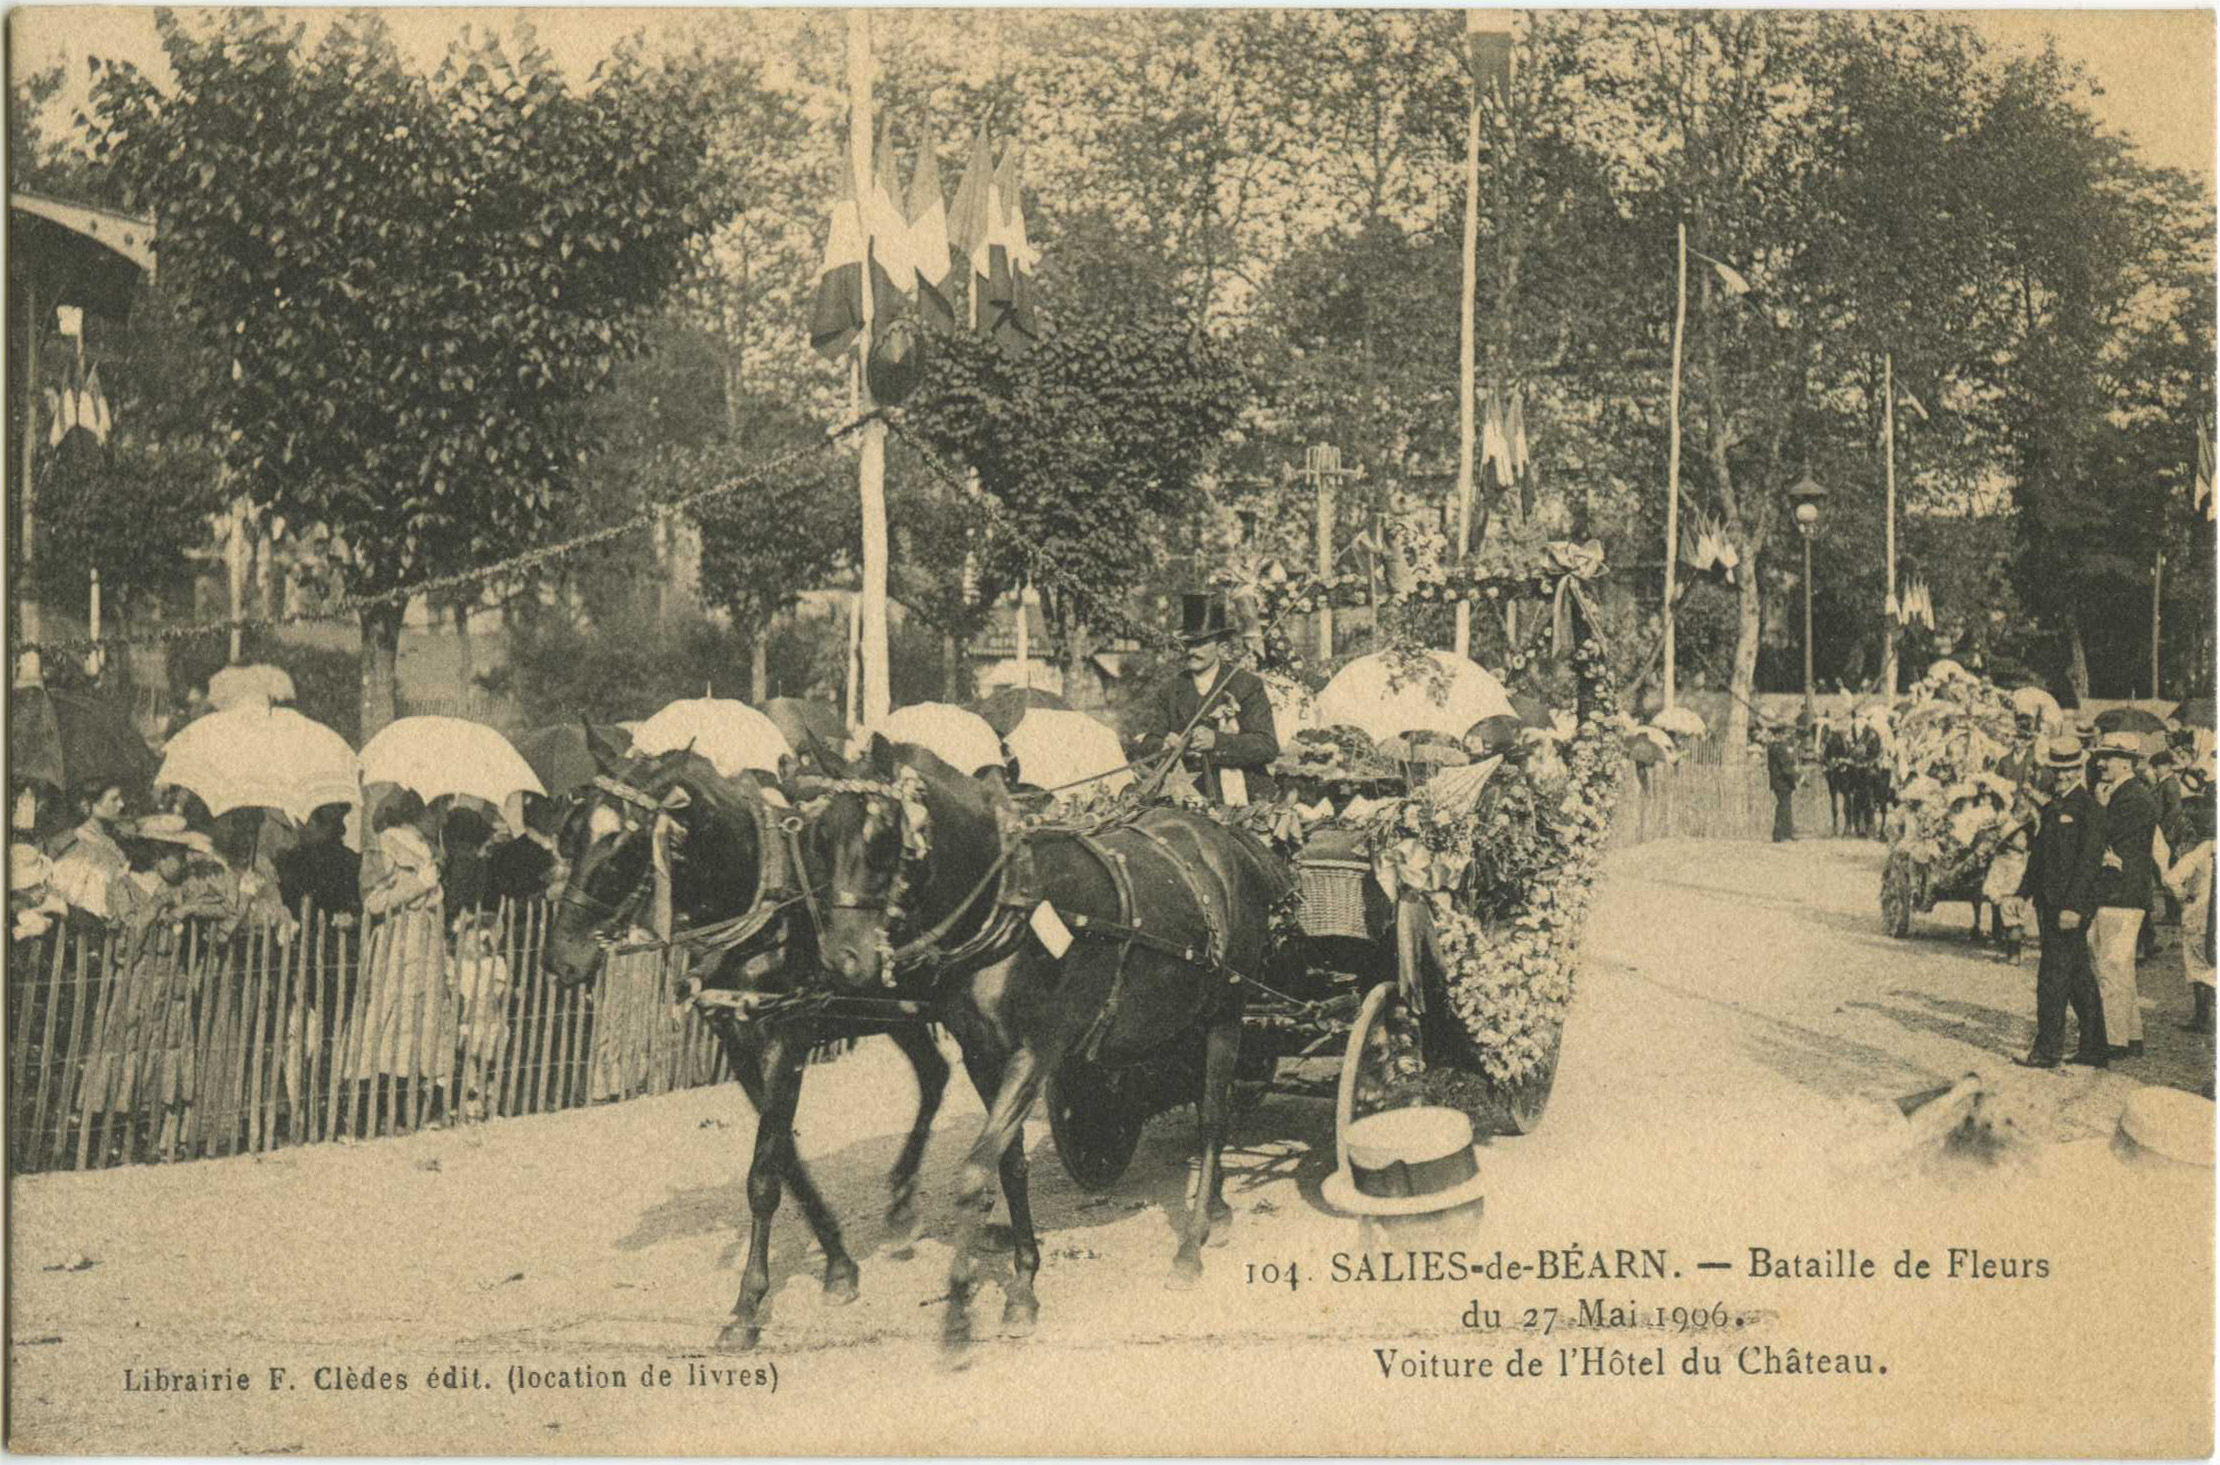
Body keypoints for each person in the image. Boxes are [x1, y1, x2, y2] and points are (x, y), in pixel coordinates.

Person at [2013, 736, 2108, 1068]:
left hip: (2069, 907)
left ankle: (2047, 1051)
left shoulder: (2090, 810)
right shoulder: (2053, 808)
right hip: (2049, 904)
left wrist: (2074, 908)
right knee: (2079, 974)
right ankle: (2095, 1047)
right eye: (2057, 771)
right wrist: (2020, 894)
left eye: (2069, 770)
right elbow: (2037, 860)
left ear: (2080, 768)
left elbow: (2088, 864)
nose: (2063, 777)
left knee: (2052, 977)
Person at [1156, 593, 1278, 807]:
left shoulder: (1246, 685)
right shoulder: (1171, 689)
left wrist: (1218, 742)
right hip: (1183, 795)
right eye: (1188, 644)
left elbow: (1267, 746)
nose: (1192, 651)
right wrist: (1163, 744)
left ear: (1222, 648)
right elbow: (1148, 741)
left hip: (1242, 797)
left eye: (1201, 643)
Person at [2086, 731, 2157, 1059]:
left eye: (2109, 756)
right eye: (2101, 756)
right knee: (2120, 966)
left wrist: (2099, 808)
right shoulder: (2126, 793)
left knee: (2111, 966)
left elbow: (2104, 836)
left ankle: (2114, 1040)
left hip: (2120, 894)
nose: (2101, 762)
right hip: (2121, 894)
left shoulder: (2132, 797)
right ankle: (2130, 1034)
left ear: (2127, 762)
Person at [2161, 766, 2216, 1036]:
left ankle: (2203, 1017)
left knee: (2197, 965)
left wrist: (2183, 897)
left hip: (2197, 912)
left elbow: (2171, 878)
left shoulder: (2198, 852)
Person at [48, 780, 133, 920]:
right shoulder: (81, 840)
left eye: (121, 798)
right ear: (92, 804)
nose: (122, 804)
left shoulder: (108, 841)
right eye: (114, 799)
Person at [277, 802, 363, 923]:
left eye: (301, 820)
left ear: (314, 824)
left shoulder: (290, 861)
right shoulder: (351, 860)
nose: (298, 826)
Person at [1764, 723, 1800, 843]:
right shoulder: (1778, 748)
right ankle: (1781, 835)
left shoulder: (1775, 747)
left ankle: (1785, 833)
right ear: (1778, 735)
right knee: (1783, 806)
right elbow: (1785, 766)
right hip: (1782, 781)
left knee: (1785, 805)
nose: (1786, 736)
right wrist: (1797, 777)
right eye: (1784, 734)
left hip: (1780, 781)